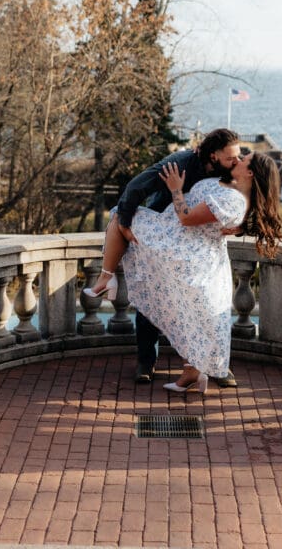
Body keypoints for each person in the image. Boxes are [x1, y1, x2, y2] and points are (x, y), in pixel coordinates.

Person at [86, 151, 282, 392]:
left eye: (244, 159)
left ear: (250, 172)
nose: (239, 158)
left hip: (180, 244)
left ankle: (107, 277)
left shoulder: (235, 200)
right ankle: (191, 372)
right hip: (189, 247)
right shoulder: (232, 187)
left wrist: (175, 188)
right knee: (191, 313)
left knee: (119, 214)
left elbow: (187, 219)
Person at [83, 128, 242, 384]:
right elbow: (136, 187)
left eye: (239, 156)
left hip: (200, 247)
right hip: (162, 235)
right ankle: (146, 360)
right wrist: (125, 221)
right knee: (151, 297)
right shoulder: (179, 164)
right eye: (231, 157)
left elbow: (250, 200)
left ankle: (215, 365)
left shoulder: (232, 169)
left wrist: (242, 226)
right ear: (212, 156)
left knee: (207, 305)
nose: (238, 161)